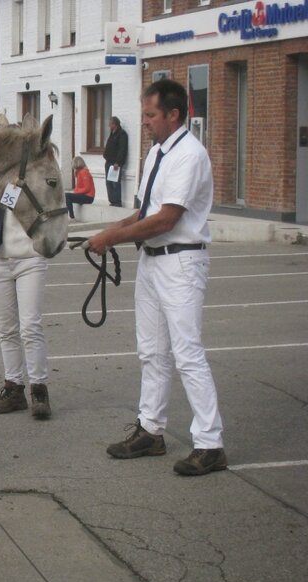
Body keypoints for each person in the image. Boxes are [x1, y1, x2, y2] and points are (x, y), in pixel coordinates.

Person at [87, 78, 226, 476]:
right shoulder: (155, 155)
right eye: (144, 114)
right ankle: (151, 429)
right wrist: (106, 234)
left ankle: (210, 442)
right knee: (151, 351)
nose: (145, 121)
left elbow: (167, 219)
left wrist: (112, 236)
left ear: (173, 114)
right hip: (151, 261)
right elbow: (144, 213)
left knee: (187, 354)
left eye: (150, 115)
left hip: (181, 262)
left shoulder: (189, 156)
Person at [0, 195, 53, 420]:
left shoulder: (32, 169)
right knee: (6, 329)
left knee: (30, 326)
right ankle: (13, 388)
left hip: (29, 254)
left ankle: (39, 389)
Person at [103, 116, 129, 207]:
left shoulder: (121, 134)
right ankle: (112, 201)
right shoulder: (112, 133)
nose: (109, 126)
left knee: (115, 182)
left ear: (115, 124)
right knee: (108, 182)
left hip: (115, 163)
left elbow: (122, 149)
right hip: (109, 161)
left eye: (110, 124)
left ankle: (117, 202)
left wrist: (117, 162)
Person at [65, 156, 95, 222]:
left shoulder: (84, 172)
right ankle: (70, 216)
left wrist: (76, 192)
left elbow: (87, 188)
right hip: (85, 196)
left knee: (67, 196)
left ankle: (72, 217)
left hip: (88, 197)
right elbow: (79, 186)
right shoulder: (80, 173)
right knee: (66, 196)